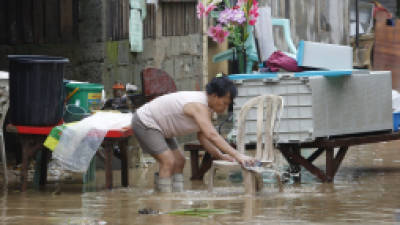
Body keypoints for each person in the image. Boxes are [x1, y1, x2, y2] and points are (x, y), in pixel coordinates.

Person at [131, 76, 256, 192]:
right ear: (214, 96)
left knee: (180, 160)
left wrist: (220, 155)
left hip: (163, 128)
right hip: (146, 122)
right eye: (224, 103)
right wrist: (238, 155)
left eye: (228, 104)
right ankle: (164, 202)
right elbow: (211, 135)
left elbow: (202, 136)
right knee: (168, 161)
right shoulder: (199, 105)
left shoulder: (208, 108)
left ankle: (176, 197)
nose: (225, 108)